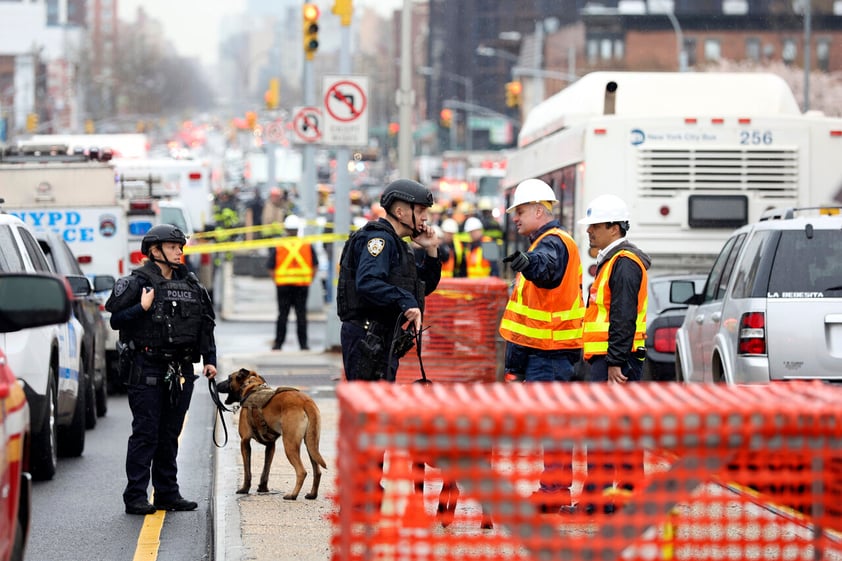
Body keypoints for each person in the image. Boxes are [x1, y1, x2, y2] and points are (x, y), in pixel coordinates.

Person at [105, 224, 217, 516]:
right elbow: (115, 319)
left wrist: (210, 360)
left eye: (180, 246)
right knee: (146, 434)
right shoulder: (138, 282)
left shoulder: (192, 285)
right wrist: (141, 308)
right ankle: (136, 497)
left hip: (180, 370)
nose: (179, 251)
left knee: (170, 434)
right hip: (146, 368)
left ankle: (167, 493)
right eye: (172, 246)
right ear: (155, 251)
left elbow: (205, 325)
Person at [498, 178, 585, 512]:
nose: (515, 217)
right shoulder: (546, 243)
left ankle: (554, 491)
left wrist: (527, 264)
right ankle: (553, 488)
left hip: (550, 354)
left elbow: (547, 272)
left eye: (520, 211)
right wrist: (514, 367)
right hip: (543, 353)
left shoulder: (552, 244)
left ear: (538, 210)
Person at [577, 193, 651, 513]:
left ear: (613, 227)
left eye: (595, 225)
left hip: (615, 360)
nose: (589, 231)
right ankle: (621, 499)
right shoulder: (614, 261)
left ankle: (600, 501)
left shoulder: (623, 263)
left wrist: (614, 362)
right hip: (614, 357)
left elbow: (623, 315)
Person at [337, 179, 441, 382]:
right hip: (367, 337)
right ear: (401, 212)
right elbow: (368, 282)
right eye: (420, 210)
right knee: (369, 406)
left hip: (381, 336)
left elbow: (423, 286)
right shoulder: (379, 240)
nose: (425, 218)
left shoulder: (398, 244)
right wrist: (405, 301)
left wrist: (431, 250)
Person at [267, 214, 318, 351]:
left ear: (286, 229)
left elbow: (270, 267)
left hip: (283, 286)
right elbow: (315, 265)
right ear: (297, 229)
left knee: (282, 316)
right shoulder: (306, 245)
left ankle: (278, 344)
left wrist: (277, 281)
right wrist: (309, 279)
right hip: (302, 286)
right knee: (301, 316)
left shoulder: (279, 246)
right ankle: (303, 345)